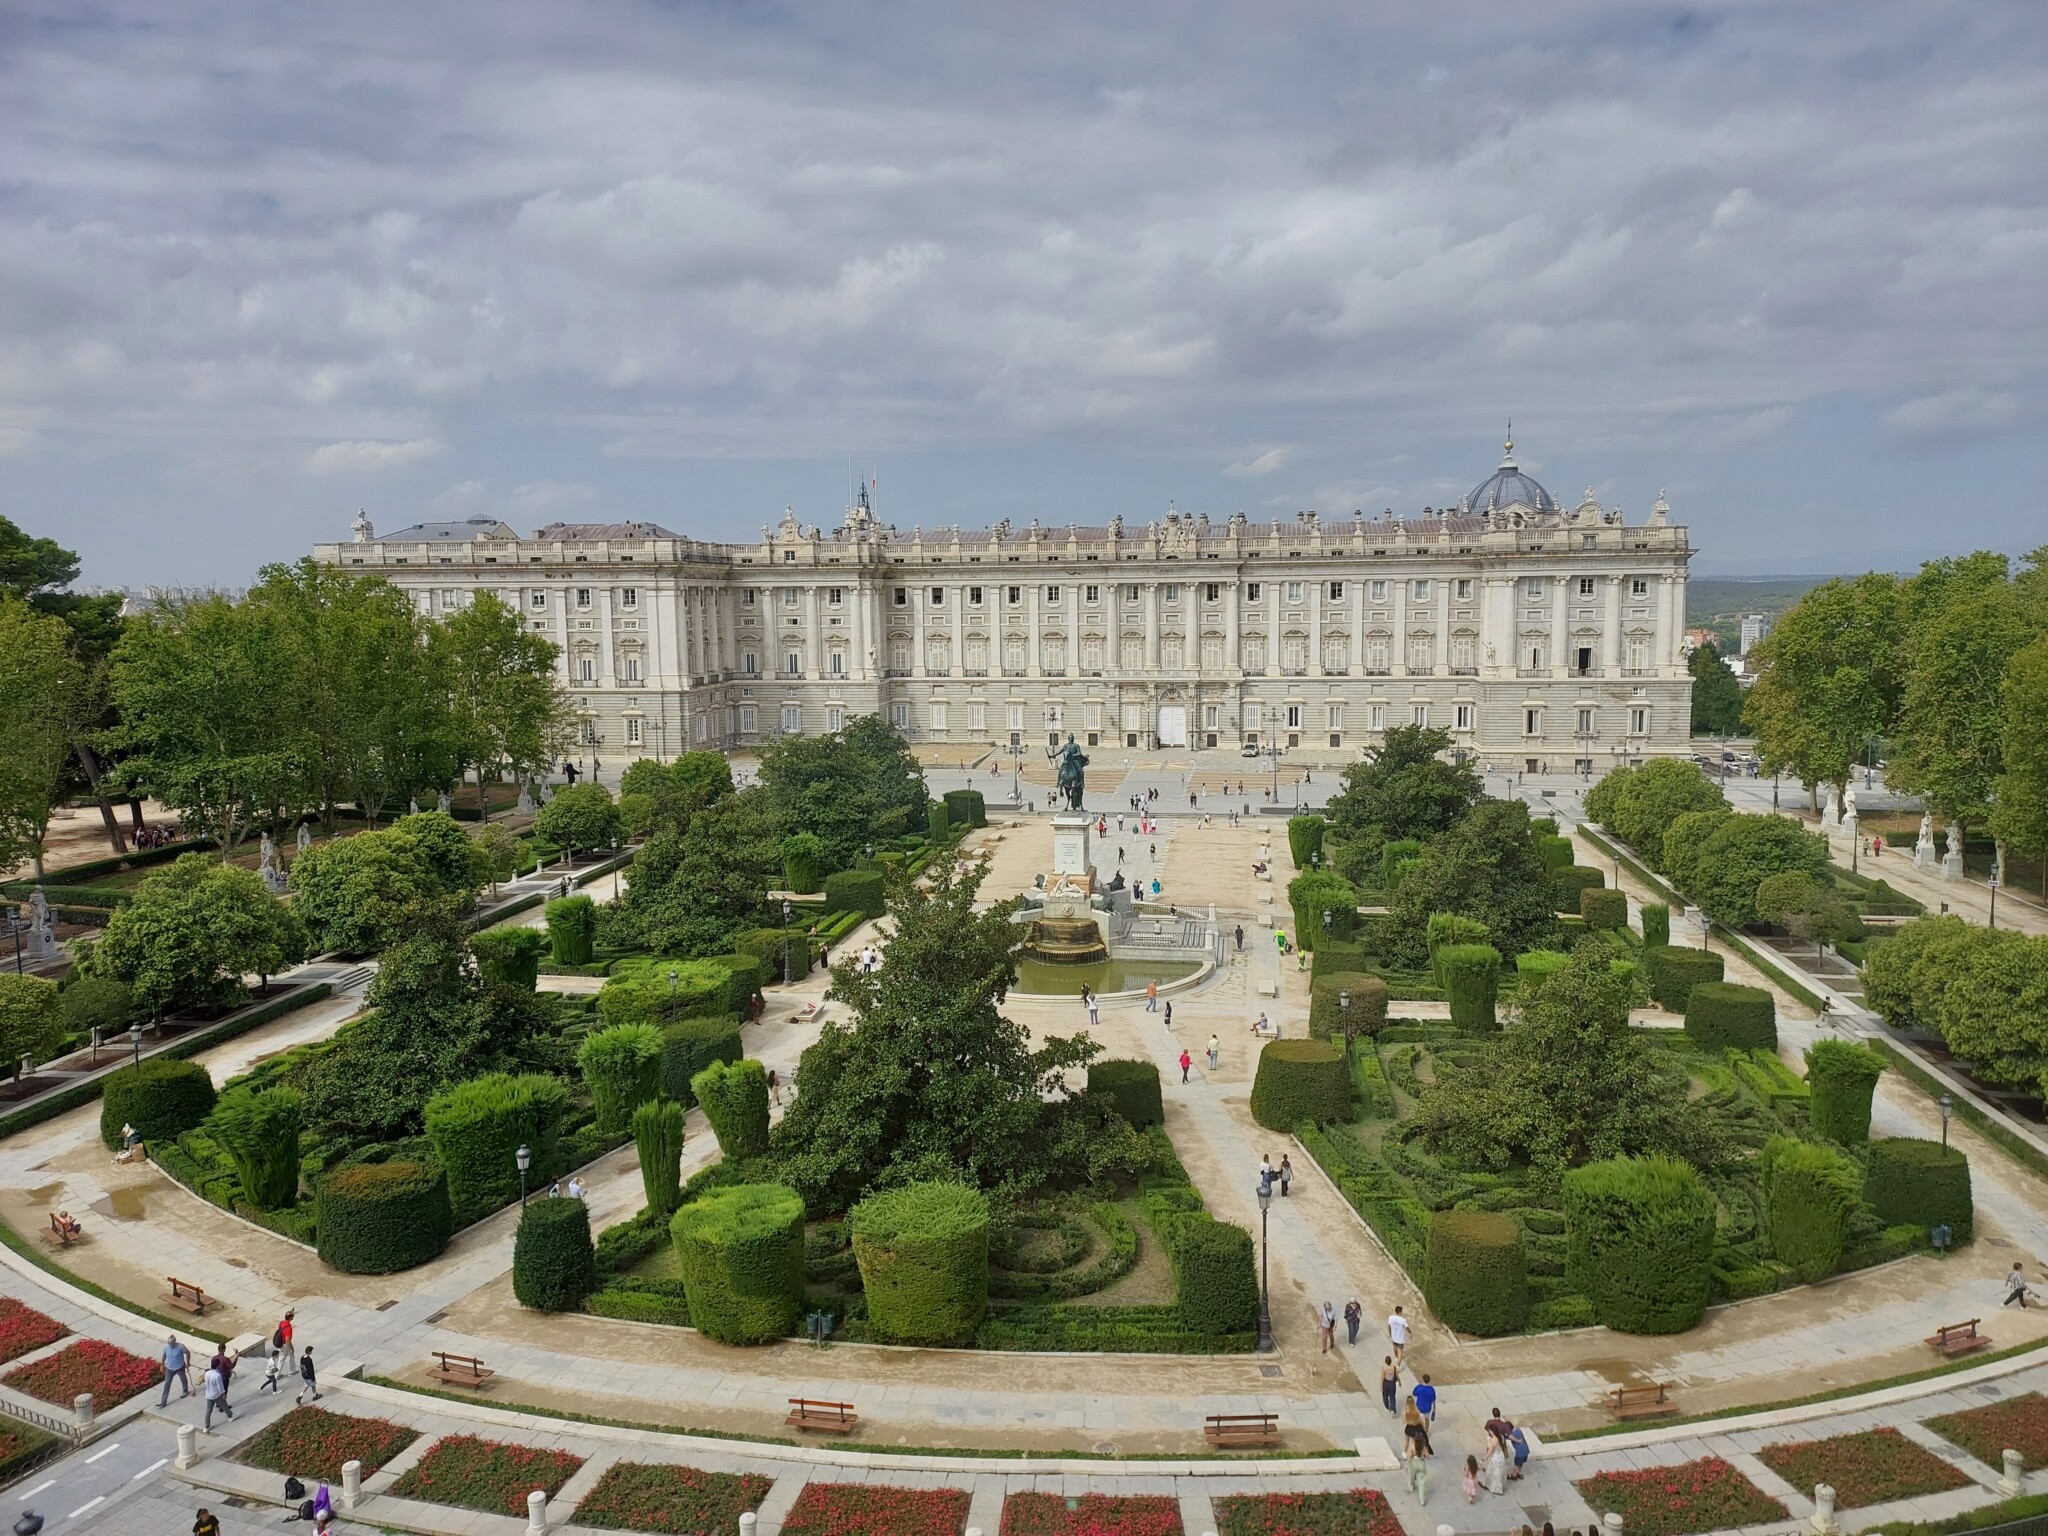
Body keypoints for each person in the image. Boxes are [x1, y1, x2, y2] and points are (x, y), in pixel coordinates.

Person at [159, 1335, 191, 1406]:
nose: (169, 1345)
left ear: (174, 1342)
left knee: (183, 1379)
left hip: (180, 1367)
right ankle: (163, 1401)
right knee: (167, 1384)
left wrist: (188, 1362)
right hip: (170, 1369)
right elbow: (163, 1357)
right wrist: (162, 1365)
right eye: (168, 1343)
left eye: (171, 1343)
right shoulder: (166, 1348)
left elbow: (187, 1353)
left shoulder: (180, 1346)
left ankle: (185, 1390)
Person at [202, 1360, 233, 1431]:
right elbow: (220, 1387)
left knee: (208, 1411)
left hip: (208, 1394)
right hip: (216, 1394)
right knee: (224, 1405)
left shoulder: (206, 1373)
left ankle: (206, 1426)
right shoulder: (217, 1375)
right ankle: (230, 1416)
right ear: (218, 1366)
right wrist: (223, 1394)